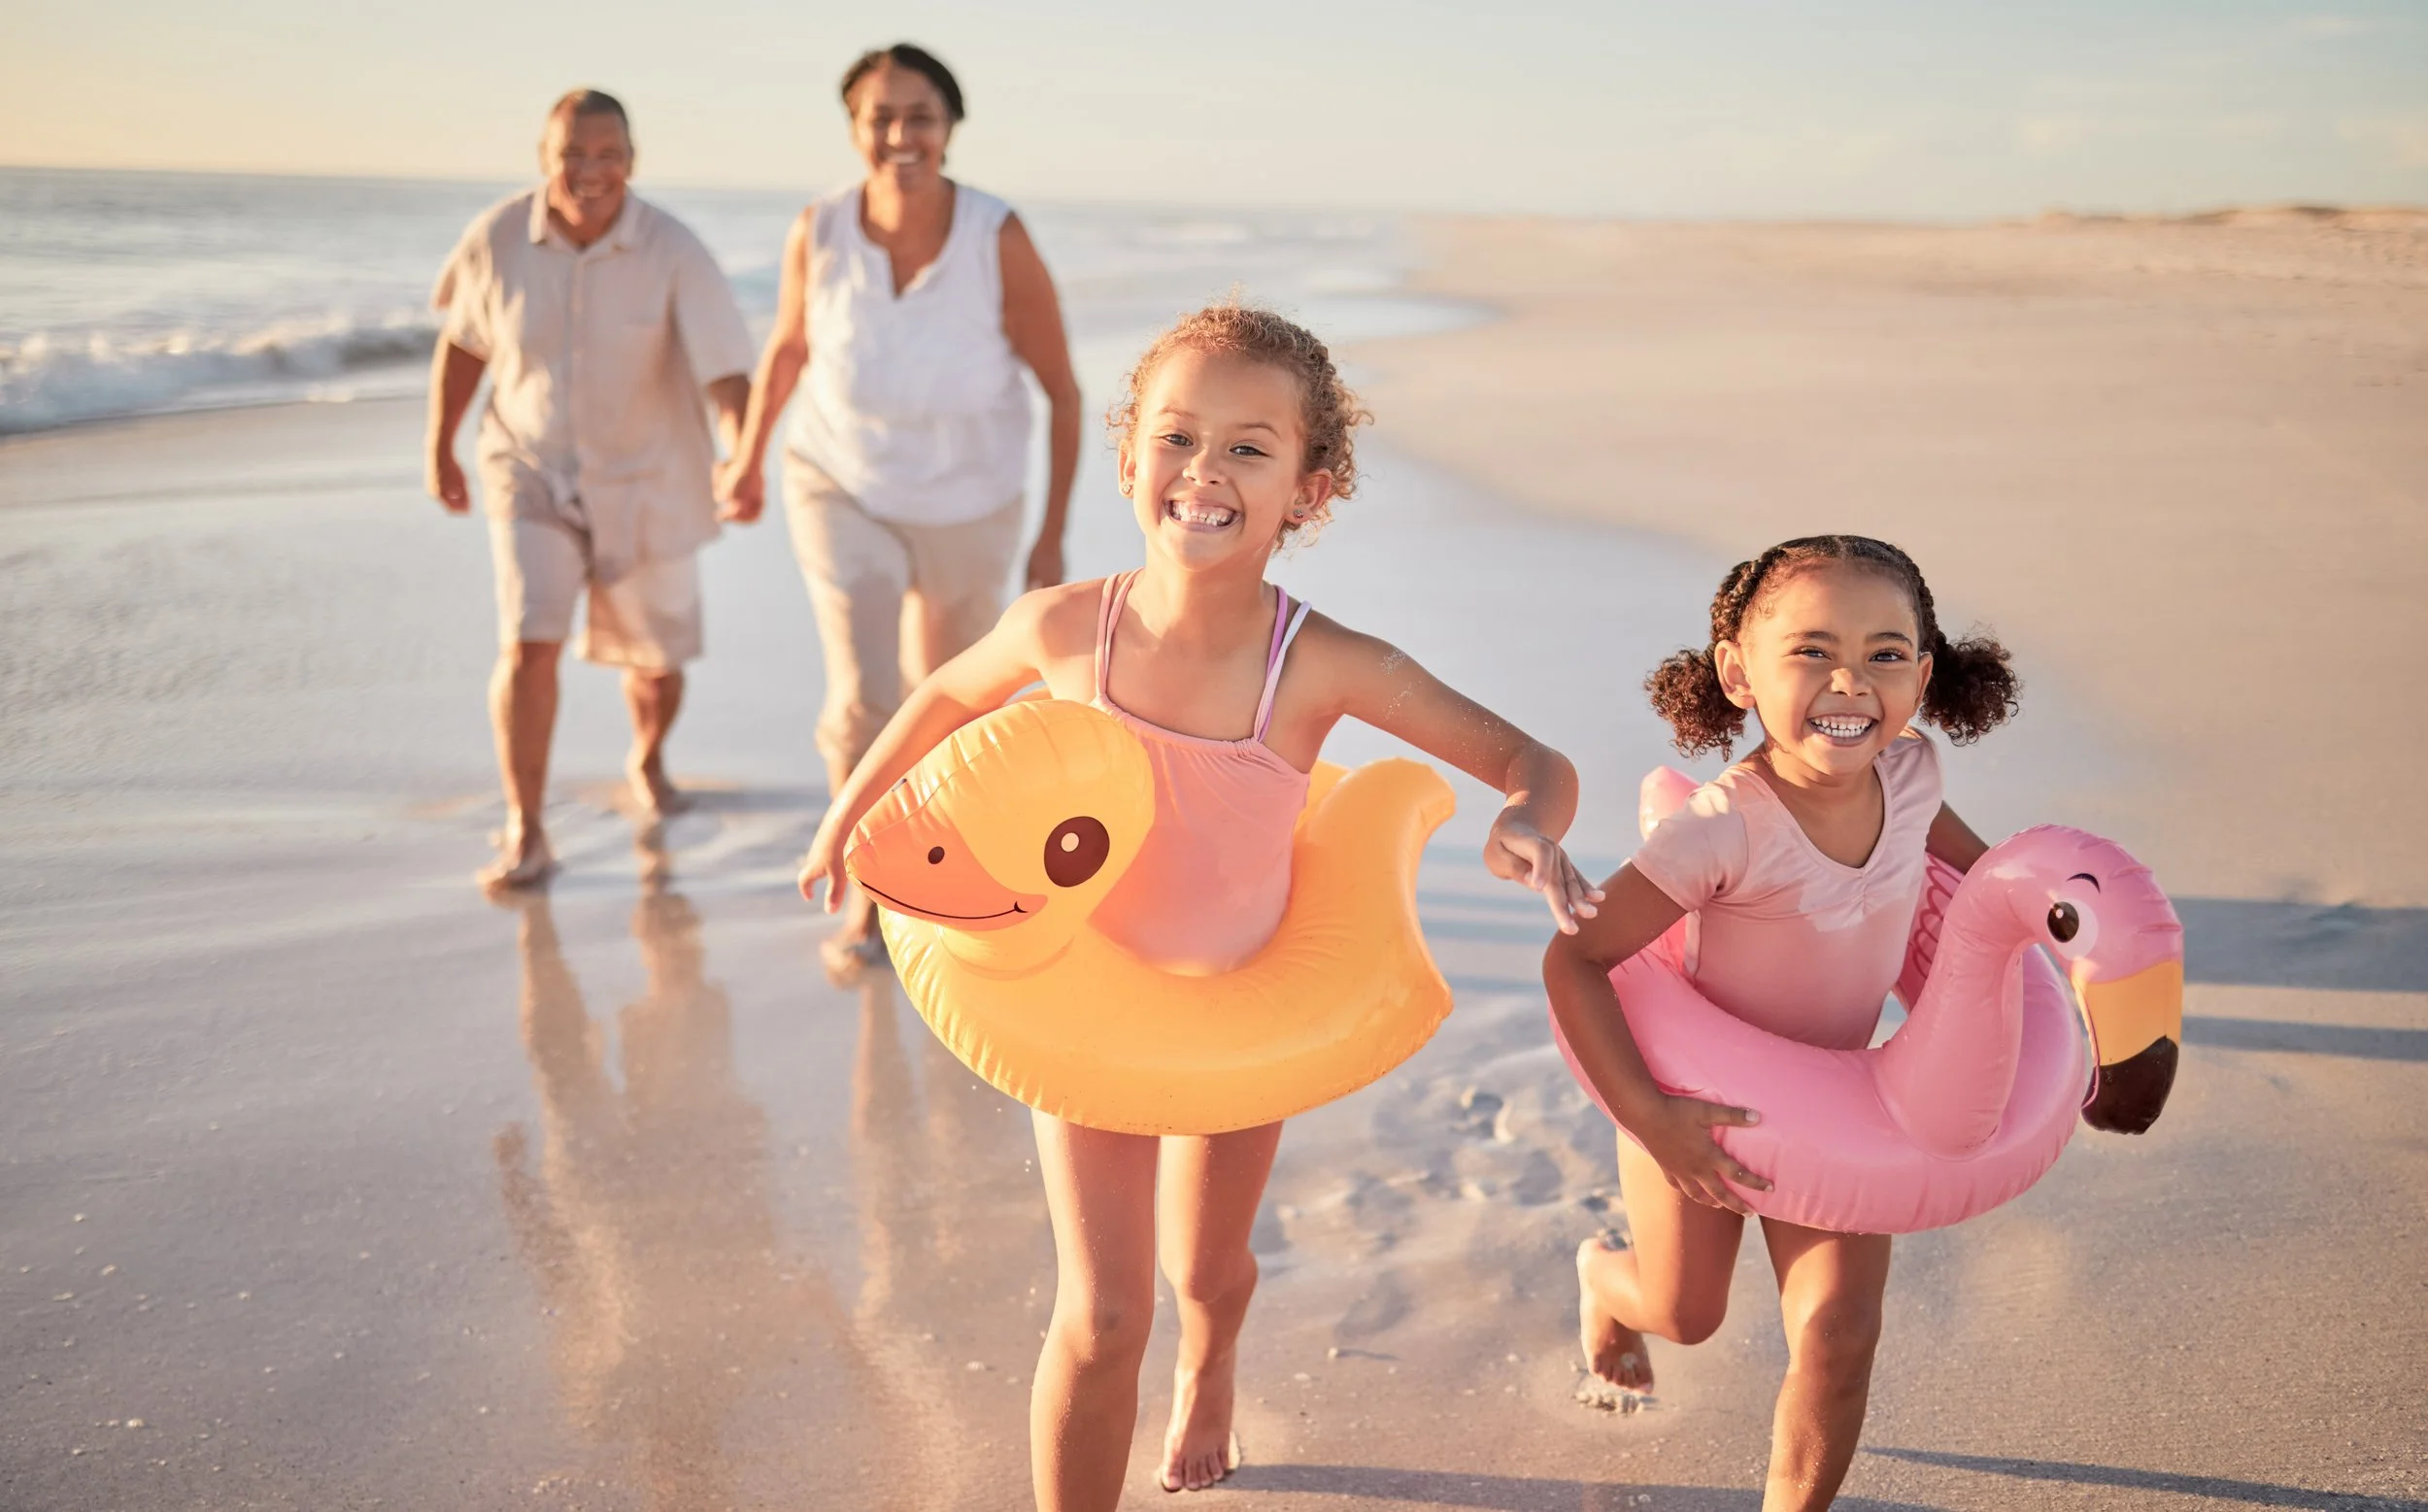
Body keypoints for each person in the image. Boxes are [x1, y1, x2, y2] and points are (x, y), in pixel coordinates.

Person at [796, 304, 1600, 1508]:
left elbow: (1529, 758)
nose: (1204, 473)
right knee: (1105, 1312)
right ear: (1128, 460)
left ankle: (1213, 1365)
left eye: (1249, 449)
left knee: (1206, 1267)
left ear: (1307, 491)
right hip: (1082, 998)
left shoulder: (1322, 663)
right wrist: (847, 818)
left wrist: (1526, 826)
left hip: (1243, 1001)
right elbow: (943, 699)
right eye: (1176, 438)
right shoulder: (1066, 627)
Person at [1545, 536, 2021, 1511]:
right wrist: (1648, 1112)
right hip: (1701, 1107)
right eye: (1810, 651)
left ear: (1922, 676)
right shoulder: (1722, 827)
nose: (1851, 680)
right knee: (1686, 1315)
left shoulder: (1914, 775)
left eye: (1885, 654)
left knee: (1841, 1334)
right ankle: (1603, 1278)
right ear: (1739, 675)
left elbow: (1987, 889)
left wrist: (2075, 959)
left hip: (1845, 1103)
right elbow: (1575, 960)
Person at [717, 44, 1083, 976]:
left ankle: (946, 873)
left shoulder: (996, 236)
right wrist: (748, 458)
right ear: (853, 129)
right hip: (839, 479)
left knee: (949, 701)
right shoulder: (821, 227)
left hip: (973, 498)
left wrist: (1050, 532)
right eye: (879, 117)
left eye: (919, 115)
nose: (899, 135)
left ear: (950, 127)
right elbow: (789, 350)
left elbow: (1061, 388)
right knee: (864, 692)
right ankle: (868, 896)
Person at [427, 88, 756, 890]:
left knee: (655, 665)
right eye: (573, 154)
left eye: (607, 155)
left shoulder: (674, 248)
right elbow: (464, 343)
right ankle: (526, 828)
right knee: (528, 640)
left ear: (632, 162)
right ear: (546, 158)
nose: (590, 171)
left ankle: (647, 756)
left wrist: (741, 457)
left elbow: (727, 368)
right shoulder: (498, 237)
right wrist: (441, 445)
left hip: (647, 475)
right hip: (528, 467)